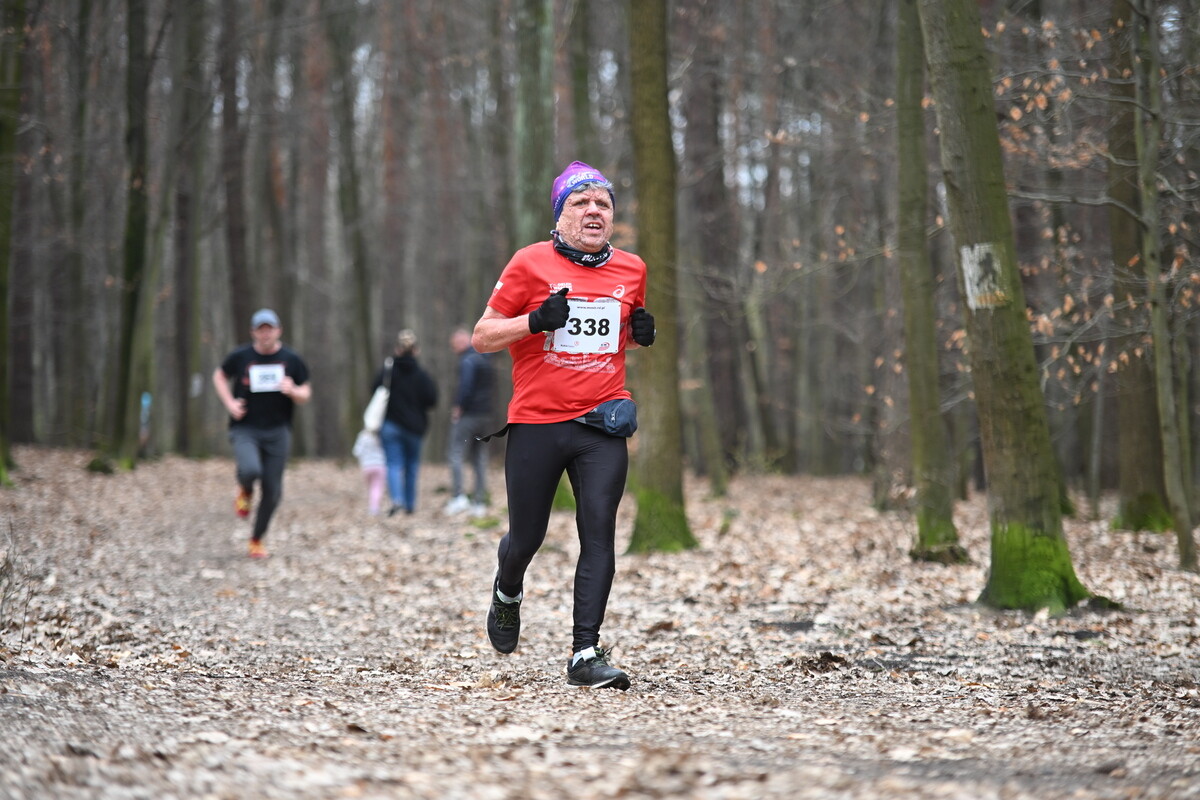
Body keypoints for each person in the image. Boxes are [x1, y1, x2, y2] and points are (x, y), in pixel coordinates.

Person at [472, 161, 656, 690]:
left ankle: (585, 652)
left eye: (603, 203)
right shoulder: (529, 263)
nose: (594, 210)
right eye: (581, 203)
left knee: (598, 530)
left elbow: (615, 336)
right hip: (537, 422)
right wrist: (533, 321)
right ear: (560, 216)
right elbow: (483, 336)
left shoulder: (632, 269)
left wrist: (640, 334)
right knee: (526, 537)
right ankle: (508, 590)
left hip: (602, 421)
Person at [212, 308, 312, 559]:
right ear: (253, 332)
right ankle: (245, 489)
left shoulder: (291, 359)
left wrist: (293, 390)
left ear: (279, 330)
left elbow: (306, 393)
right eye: (261, 329)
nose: (265, 333)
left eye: (270, 328)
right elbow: (219, 376)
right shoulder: (241, 356)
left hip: (278, 431)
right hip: (246, 427)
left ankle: (256, 539)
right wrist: (230, 404)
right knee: (250, 470)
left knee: (273, 491)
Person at [373, 329, 438, 517]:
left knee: (393, 463)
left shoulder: (388, 372)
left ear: (398, 349)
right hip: (415, 428)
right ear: (416, 350)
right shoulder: (422, 375)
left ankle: (397, 500)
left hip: (391, 425)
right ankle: (410, 505)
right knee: (411, 466)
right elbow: (432, 400)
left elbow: (374, 390)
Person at [444, 327, 496, 517]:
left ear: (463, 340)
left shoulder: (467, 361)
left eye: (454, 344)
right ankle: (479, 502)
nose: (453, 348)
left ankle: (458, 497)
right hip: (485, 416)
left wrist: (458, 406)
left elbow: (466, 386)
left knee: (455, 453)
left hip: (469, 415)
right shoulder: (486, 359)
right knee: (479, 458)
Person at [352, 428, 387, 515]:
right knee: (377, 487)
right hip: (380, 465)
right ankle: (374, 508)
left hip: (366, 466)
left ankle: (372, 507)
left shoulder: (363, 435)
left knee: (371, 487)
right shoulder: (382, 434)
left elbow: (356, 451)